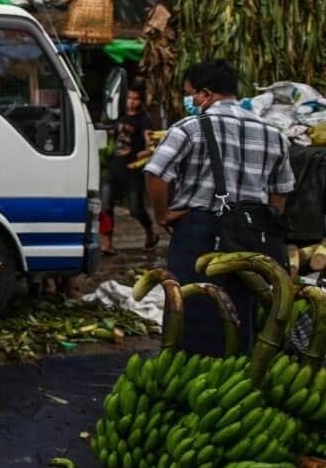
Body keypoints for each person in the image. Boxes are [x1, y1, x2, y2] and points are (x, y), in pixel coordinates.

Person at [145, 59, 294, 357]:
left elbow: (155, 173)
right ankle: (237, 368)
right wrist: (266, 220)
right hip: (249, 233)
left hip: (199, 229)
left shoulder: (190, 128)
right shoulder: (273, 133)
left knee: (193, 304)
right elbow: (281, 192)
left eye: (191, 94)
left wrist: (162, 214)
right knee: (242, 306)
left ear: (206, 93)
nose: (190, 101)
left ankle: (191, 368)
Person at [100, 82, 158, 256]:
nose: (132, 102)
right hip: (112, 168)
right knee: (105, 206)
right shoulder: (117, 115)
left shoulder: (144, 120)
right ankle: (107, 243)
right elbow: (105, 131)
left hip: (133, 171)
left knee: (135, 208)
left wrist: (146, 152)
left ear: (141, 101)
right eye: (130, 98)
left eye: (135, 99)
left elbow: (151, 143)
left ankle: (150, 232)